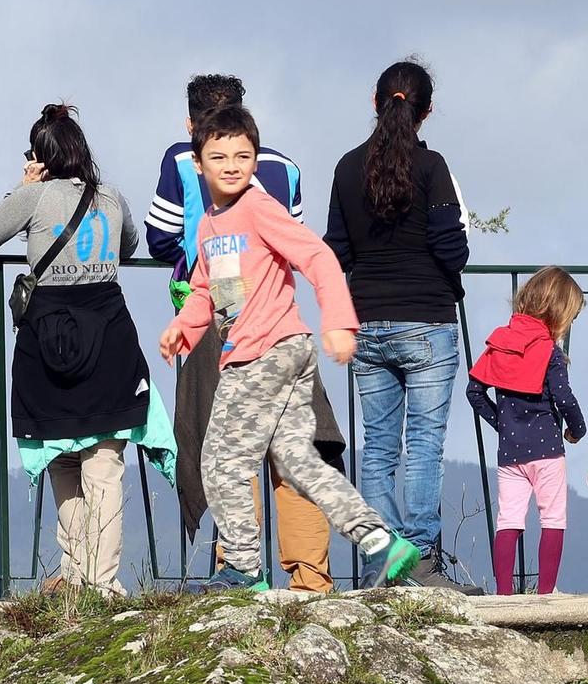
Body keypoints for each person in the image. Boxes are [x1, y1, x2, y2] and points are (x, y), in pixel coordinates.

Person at [157, 103, 421, 592]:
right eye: (219, 157)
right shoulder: (210, 225)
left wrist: (340, 321)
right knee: (299, 462)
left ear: (256, 161)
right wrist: (185, 329)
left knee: (219, 459)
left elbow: (317, 255)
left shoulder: (259, 209)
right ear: (198, 163)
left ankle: (241, 568)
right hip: (271, 350)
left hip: (268, 350)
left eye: (243, 155)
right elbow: (203, 290)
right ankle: (382, 543)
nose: (232, 165)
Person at [0, 104, 175, 595]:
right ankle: (103, 584)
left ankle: (75, 576)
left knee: (62, 459)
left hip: (48, 344)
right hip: (109, 338)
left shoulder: (35, 198)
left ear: (41, 156)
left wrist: (22, 189)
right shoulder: (113, 198)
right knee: (105, 464)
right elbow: (127, 246)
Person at [144, 73, 335, 592]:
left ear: (190, 123)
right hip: (283, 319)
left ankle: (238, 567)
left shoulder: (183, 161)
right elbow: (296, 242)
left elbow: (160, 237)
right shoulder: (283, 167)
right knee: (299, 440)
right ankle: (311, 575)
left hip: (221, 318)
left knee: (229, 444)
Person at [324, 59, 473, 589]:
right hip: (427, 319)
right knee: (424, 446)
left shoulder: (346, 168)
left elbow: (335, 250)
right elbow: (450, 248)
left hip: (365, 320)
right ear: (427, 111)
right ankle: (423, 561)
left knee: (380, 448)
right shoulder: (431, 168)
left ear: (376, 101)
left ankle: (378, 563)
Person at [466, 268, 588, 595]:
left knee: (508, 520)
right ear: (559, 313)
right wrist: (578, 429)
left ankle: (504, 594)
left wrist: (500, 423)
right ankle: (546, 593)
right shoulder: (550, 353)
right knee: (553, 518)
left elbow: (474, 392)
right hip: (548, 451)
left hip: (510, 453)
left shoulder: (500, 343)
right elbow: (564, 398)